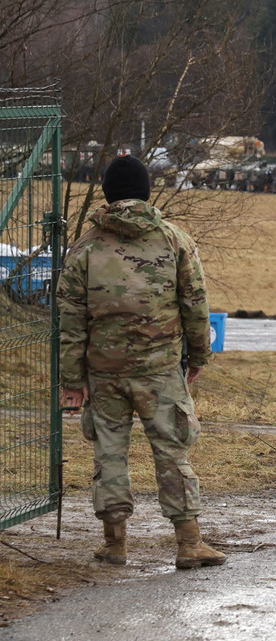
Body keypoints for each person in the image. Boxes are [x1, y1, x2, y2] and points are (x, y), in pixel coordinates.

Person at [57, 154, 226, 570]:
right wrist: (200, 354)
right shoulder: (174, 239)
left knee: (109, 455)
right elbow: (196, 305)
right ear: (147, 191)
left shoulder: (86, 246)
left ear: (107, 193)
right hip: (160, 370)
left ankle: (115, 544)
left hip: (104, 371)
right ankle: (189, 543)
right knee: (172, 451)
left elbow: (71, 320)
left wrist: (71, 379)